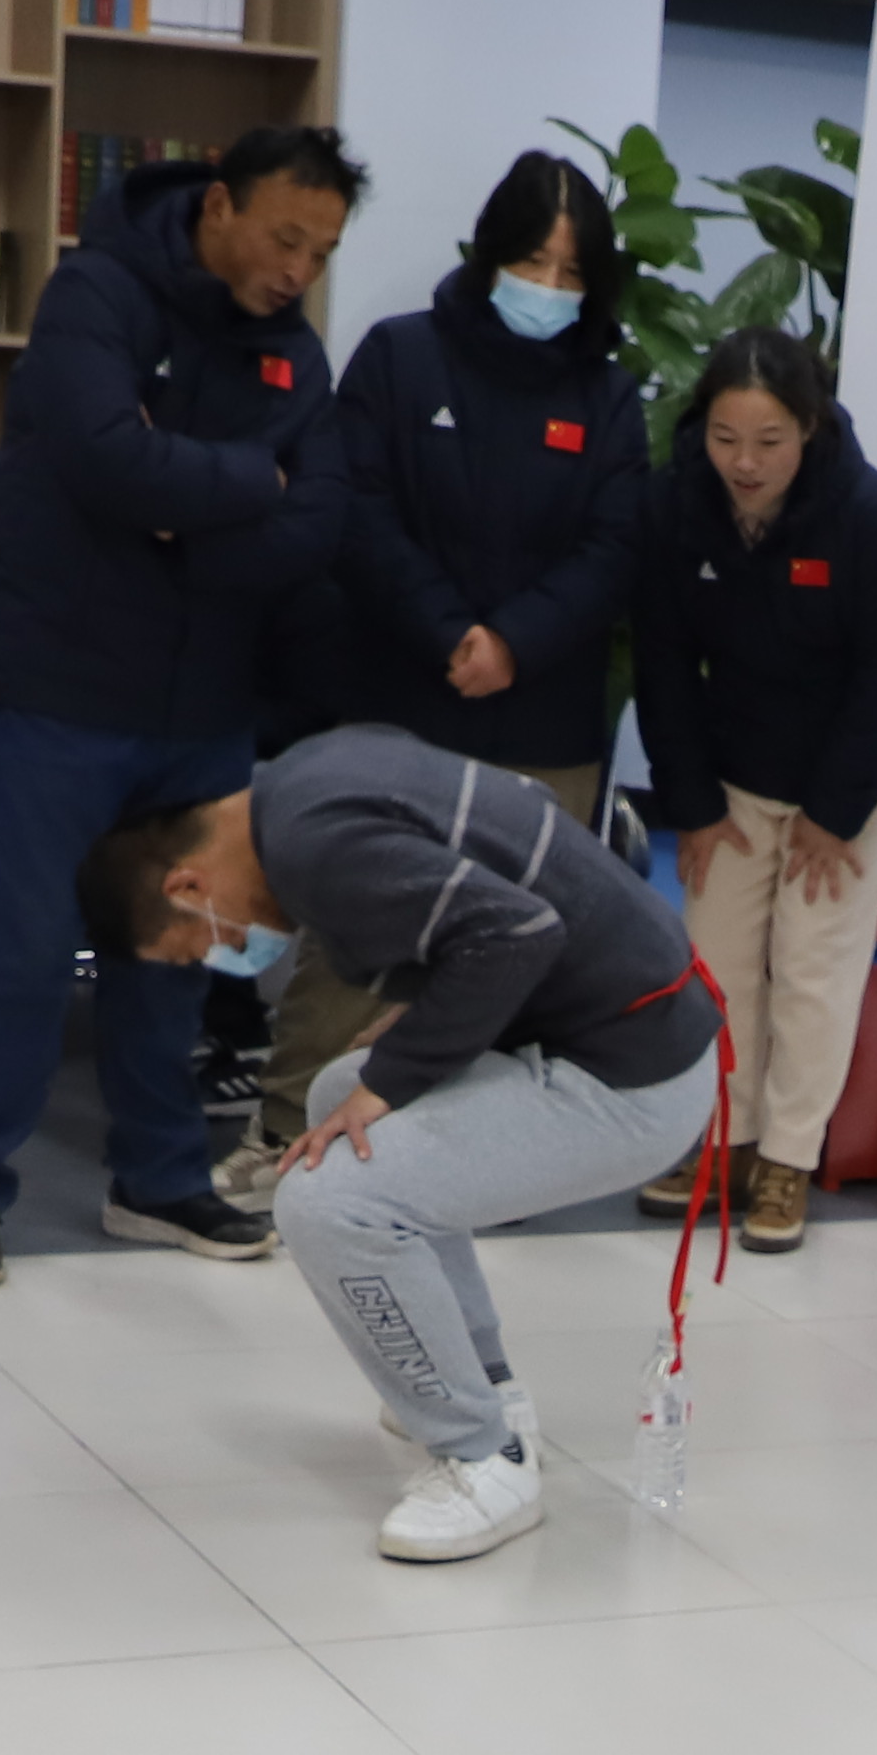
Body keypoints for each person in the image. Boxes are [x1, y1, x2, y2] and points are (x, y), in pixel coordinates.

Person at [93, 729, 721, 1563]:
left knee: (328, 1200)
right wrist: (421, 1027)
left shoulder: (315, 846)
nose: (230, 950)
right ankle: (484, 1386)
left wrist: (396, 1075)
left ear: (187, 884)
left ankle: (482, 1458)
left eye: (203, 942)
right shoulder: (300, 784)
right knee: (336, 1099)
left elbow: (517, 932)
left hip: (631, 1080)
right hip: (625, 1034)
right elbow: (517, 825)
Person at [0, 119, 354, 1288]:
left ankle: (157, 1179)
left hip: (202, 699)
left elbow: (315, 520)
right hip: (59, 685)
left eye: (321, 253)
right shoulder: (96, 295)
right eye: (284, 239)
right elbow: (105, 457)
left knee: (175, 953)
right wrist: (248, 479)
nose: (298, 271)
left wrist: (182, 517)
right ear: (219, 207)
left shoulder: (295, 353)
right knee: (21, 954)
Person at [263, 149, 649, 1204]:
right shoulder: (402, 357)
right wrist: (450, 632)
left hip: (545, 713)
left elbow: (615, 547)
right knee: (359, 935)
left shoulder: (609, 394)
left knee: (525, 946)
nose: (549, 289)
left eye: (572, 274)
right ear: (489, 257)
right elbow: (359, 510)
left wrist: (514, 641)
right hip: (404, 695)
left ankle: (470, 1169)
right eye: (532, 263)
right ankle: (284, 1131)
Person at [627, 323, 877, 1254]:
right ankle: (726, 1143)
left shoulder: (865, 512)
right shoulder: (676, 504)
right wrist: (692, 805)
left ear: (810, 427)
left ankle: (789, 1157)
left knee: (811, 969)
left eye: (769, 441)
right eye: (726, 439)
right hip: (736, 771)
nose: (745, 463)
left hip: (854, 776)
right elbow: (663, 663)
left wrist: (834, 816)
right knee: (715, 964)